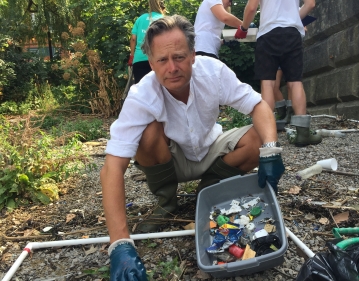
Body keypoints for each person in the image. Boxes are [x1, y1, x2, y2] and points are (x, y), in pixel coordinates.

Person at [101, 15, 285, 279]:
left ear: (193, 55)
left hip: (212, 147)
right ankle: (166, 202)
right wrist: (119, 244)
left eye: (179, 57)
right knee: (148, 133)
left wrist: (270, 150)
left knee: (258, 138)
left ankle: (209, 190)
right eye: (162, 60)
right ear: (151, 63)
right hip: (172, 158)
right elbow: (112, 167)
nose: (172, 67)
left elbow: (258, 106)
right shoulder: (142, 94)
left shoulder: (213, 72)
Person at [235, 0, 322, 147]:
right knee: (295, 82)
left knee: (267, 83)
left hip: (268, 33)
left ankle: (268, 135)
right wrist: (294, 18)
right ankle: (302, 133)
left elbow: (251, 8)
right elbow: (310, 4)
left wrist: (243, 28)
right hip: (292, 33)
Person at [128, 0, 166, 83]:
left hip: (139, 59)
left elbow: (133, 39)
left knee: (141, 90)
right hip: (158, 59)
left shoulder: (140, 19)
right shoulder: (164, 19)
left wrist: (132, 56)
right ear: (163, 8)